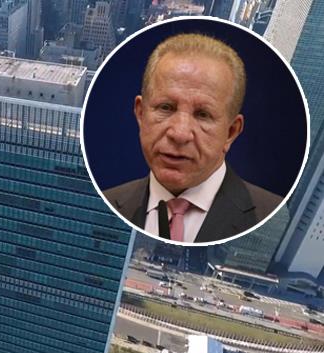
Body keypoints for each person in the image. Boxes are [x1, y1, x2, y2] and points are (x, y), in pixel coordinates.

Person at [102, 33, 282, 243]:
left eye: (203, 115)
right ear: (141, 114)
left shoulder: (275, 220)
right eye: (166, 107)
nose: (180, 133)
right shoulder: (106, 204)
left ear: (231, 132)